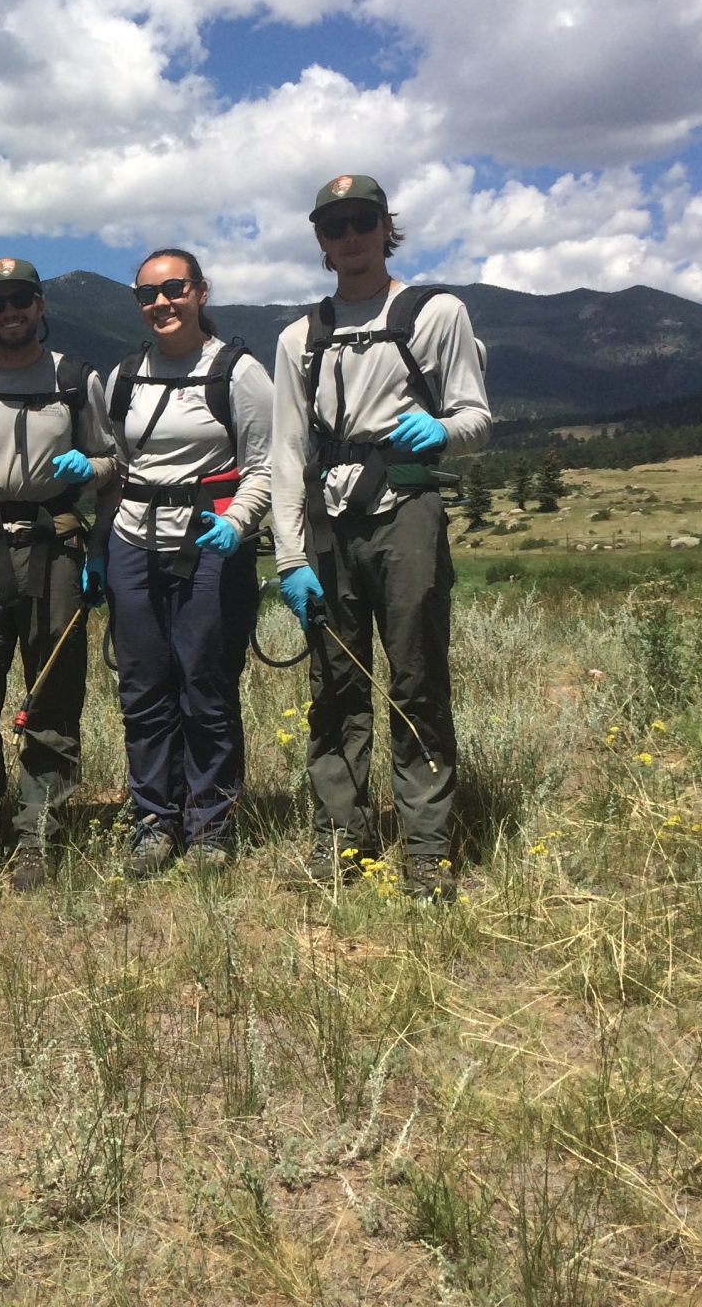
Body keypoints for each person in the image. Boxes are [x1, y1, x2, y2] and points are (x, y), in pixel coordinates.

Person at [270, 175, 492, 901]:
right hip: (328, 524)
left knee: (416, 677)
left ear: (385, 227)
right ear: (320, 240)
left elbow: (476, 416)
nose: (350, 236)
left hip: (407, 511)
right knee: (335, 687)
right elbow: (286, 451)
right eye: (335, 227)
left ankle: (426, 850)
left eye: (363, 221)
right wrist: (291, 556)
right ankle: (342, 836)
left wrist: (445, 430)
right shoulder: (299, 337)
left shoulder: (436, 313)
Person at [0, 258, 117, 891]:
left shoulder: (74, 378)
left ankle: (40, 830)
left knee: (54, 695)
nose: (8, 312)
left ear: (40, 305)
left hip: (56, 547)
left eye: (20, 300)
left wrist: (88, 488)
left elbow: (112, 465)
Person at [96, 248, 272, 880]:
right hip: (132, 542)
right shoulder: (122, 378)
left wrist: (236, 523)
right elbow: (115, 463)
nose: (161, 303)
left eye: (174, 289)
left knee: (206, 685)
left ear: (200, 292)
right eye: (147, 294)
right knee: (143, 687)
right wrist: (99, 543)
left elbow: (266, 465)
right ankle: (152, 819)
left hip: (209, 542)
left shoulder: (240, 373)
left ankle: (211, 824)